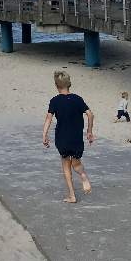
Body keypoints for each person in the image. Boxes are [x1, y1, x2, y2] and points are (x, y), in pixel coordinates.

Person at [42, 71, 94, 204]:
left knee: (66, 166)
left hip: (62, 138)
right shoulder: (77, 99)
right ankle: (83, 176)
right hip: (76, 138)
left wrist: (44, 135)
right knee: (76, 162)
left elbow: (49, 118)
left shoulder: (54, 101)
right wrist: (89, 131)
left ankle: (72, 196)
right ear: (69, 83)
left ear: (56, 85)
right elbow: (90, 114)